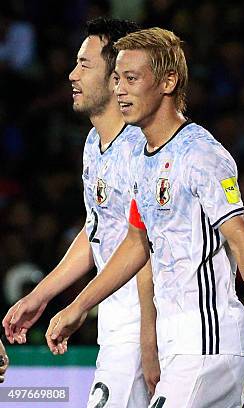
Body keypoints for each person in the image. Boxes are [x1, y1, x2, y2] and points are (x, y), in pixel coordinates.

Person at [44, 27, 244, 408]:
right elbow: (135, 245)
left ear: (168, 81)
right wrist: (78, 306)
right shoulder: (140, 158)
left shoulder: (201, 155)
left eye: (131, 79)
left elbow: (241, 241)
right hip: (176, 342)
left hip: (209, 340)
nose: (120, 90)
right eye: (117, 78)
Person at [1, 18, 160, 407]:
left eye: (85, 65)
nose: (72, 75)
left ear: (116, 76)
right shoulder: (95, 144)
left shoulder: (143, 148)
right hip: (118, 327)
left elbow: (145, 248)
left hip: (149, 328)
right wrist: (40, 296)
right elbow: (97, 231)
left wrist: (148, 339)